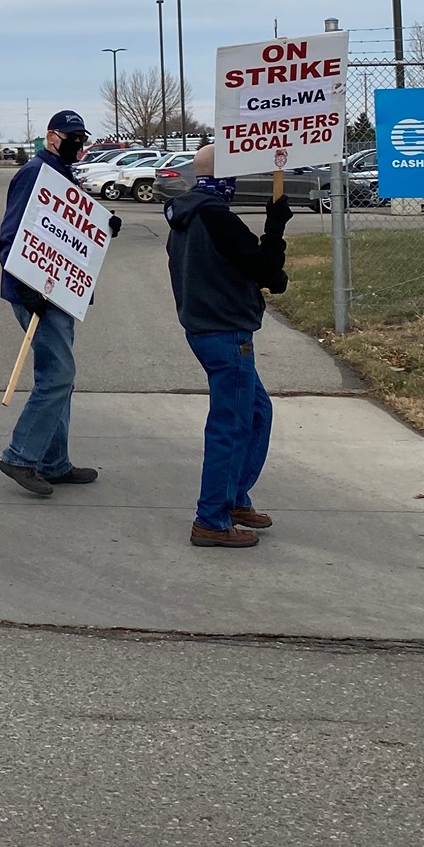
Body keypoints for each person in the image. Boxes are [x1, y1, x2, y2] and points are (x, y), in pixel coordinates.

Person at [163, 145, 290, 548]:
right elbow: (266, 270)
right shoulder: (216, 217)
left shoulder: (186, 212)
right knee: (231, 426)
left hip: (205, 329)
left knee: (255, 412)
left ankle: (234, 498)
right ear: (226, 176)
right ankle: (211, 519)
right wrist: (274, 227)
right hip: (226, 334)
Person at [0, 109, 121, 498]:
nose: (78, 144)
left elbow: (66, 228)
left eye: (82, 137)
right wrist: (30, 288)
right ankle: (20, 455)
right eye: (72, 137)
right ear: (52, 137)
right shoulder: (35, 173)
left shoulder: (62, 174)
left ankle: (53, 462)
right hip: (39, 294)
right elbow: (12, 233)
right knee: (58, 376)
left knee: (59, 378)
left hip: (60, 293)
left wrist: (102, 226)